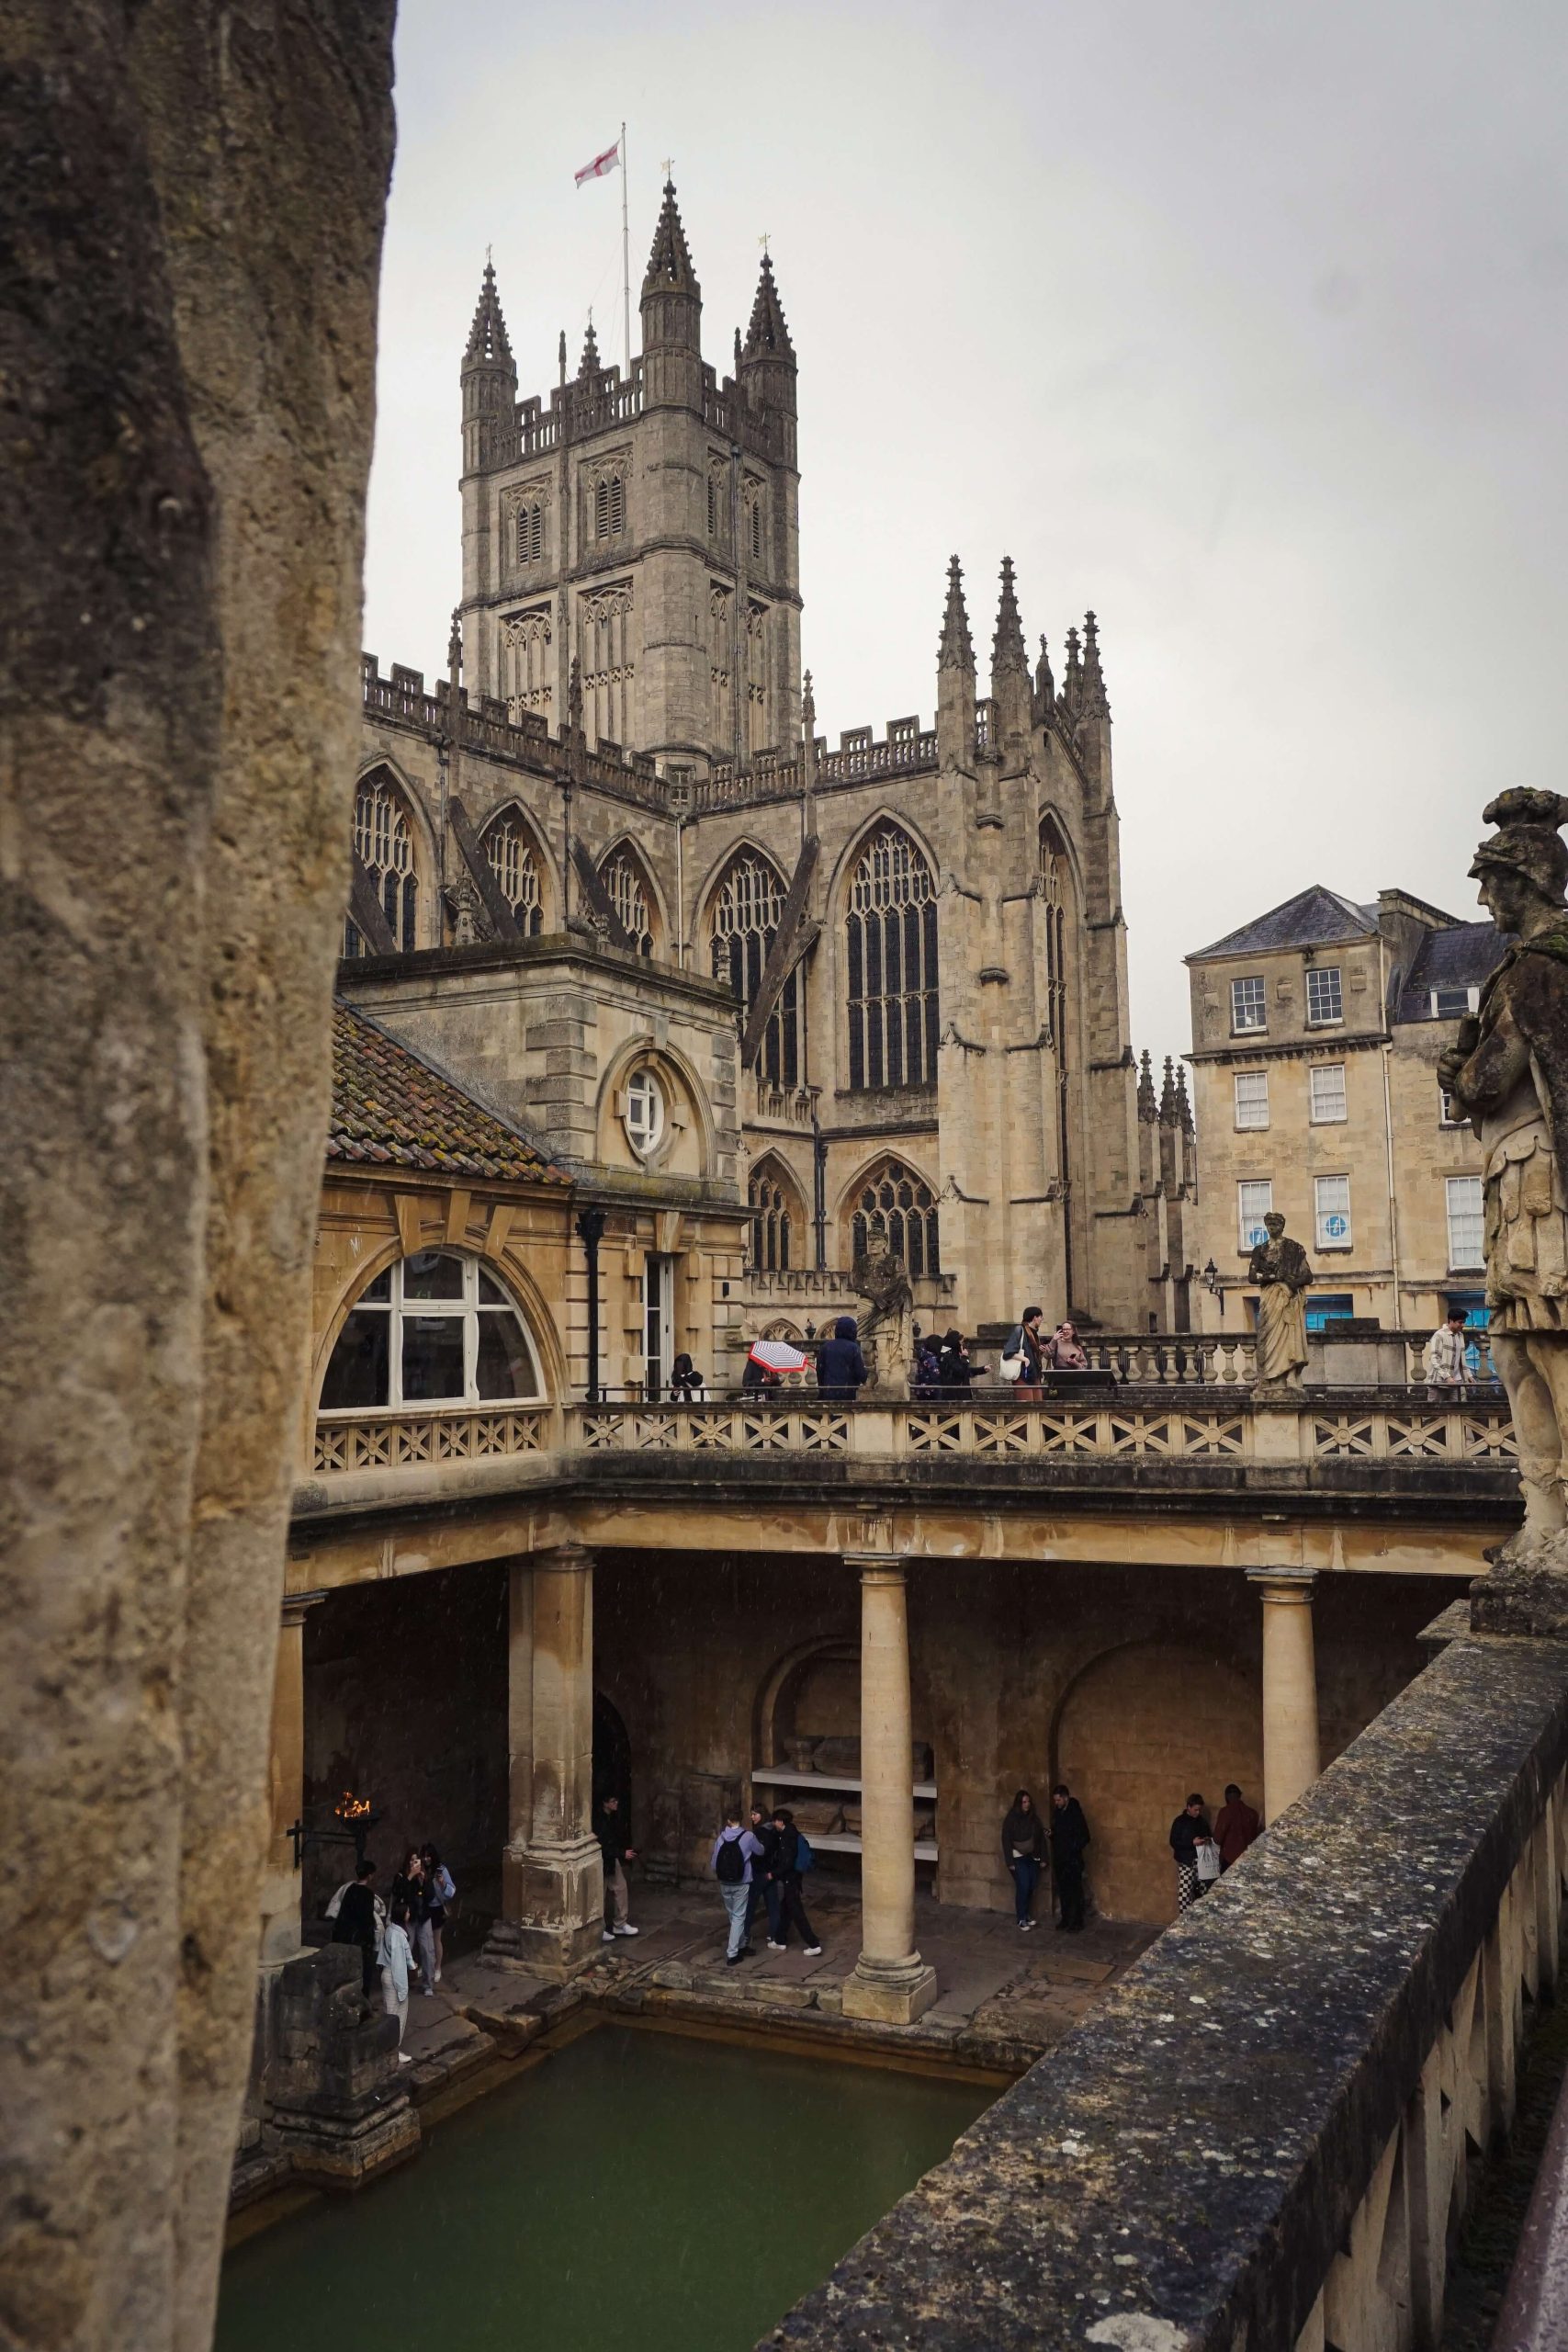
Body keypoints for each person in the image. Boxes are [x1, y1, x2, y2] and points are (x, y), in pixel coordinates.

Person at [1248, 1212, 1314, 1391]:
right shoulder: (1260, 1250)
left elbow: (1308, 1275)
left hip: (1288, 1298)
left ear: (1282, 1226)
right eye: (1269, 1224)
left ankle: (1290, 1375)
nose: (1272, 1227)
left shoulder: (1295, 1248)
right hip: (1270, 1298)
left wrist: (1293, 1282)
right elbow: (1252, 1277)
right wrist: (1274, 1276)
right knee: (1267, 1336)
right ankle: (1268, 1377)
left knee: (1290, 1337)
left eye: (1275, 1224)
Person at [711, 1806, 764, 1964]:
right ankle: (733, 1953)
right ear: (741, 1819)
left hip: (725, 1882)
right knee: (739, 1916)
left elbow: (714, 1863)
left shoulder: (720, 1839)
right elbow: (760, 1851)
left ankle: (741, 1945)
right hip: (741, 1881)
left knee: (733, 1915)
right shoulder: (748, 1836)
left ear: (728, 1820)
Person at [766, 1809, 823, 1955]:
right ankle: (780, 1940)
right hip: (794, 1877)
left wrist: (774, 1873)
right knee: (786, 1908)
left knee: (797, 1912)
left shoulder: (786, 1837)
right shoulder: (793, 1833)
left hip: (790, 1878)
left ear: (780, 1821)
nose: (774, 1824)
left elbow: (787, 1862)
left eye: (775, 1821)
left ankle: (813, 1943)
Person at [331, 1859, 381, 1997]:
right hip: (360, 1939)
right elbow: (366, 1920)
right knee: (364, 1972)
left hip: (346, 1935)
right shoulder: (367, 1894)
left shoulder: (350, 1890)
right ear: (370, 1875)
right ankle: (364, 2001)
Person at [594, 1790, 639, 1943]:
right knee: (599, 1895)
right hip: (602, 1860)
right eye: (613, 1801)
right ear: (605, 1803)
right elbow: (601, 1844)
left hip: (612, 1859)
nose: (616, 1804)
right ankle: (598, 1929)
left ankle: (620, 1923)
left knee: (621, 1888)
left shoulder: (613, 1817)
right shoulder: (598, 1820)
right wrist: (621, 1853)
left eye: (616, 1801)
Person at [1000, 1788, 1046, 1929]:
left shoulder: (1034, 1818)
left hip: (1032, 1856)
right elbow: (1006, 1839)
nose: (1027, 1804)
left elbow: (1040, 1839)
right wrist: (1010, 1862)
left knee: (1031, 1885)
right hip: (1018, 1858)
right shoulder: (1011, 1818)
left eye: (1028, 1802)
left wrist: (1044, 1858)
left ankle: (1026, 1915)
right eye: (1024, 1802)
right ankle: (1021, 1918)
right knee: (1023, 1886)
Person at [391, 1847, 435, 1995]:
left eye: (416, 1860)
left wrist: (423, 1882)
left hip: (423, 1917)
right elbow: (398, 1892)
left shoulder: (424, 1874)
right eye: (411, 1860)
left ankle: (428, 1984)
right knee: (405, 1951)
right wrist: (410, 1876)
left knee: (427, 1951)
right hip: (408, 1918)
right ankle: (402, 1982)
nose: (414, 1863)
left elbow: (430, 1896)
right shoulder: (402, 1876)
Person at [1049, 1783, 1090, 1931]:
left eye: (1058, 1800)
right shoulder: (1058, 1813)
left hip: (1072, 1860)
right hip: (1061, 1859)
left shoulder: (1075, 1814)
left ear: (1065, 1798)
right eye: (1055, 1801)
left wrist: (1072, 1848)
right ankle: (1066, 1919)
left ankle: (1077, 1921)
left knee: (1075, 1892)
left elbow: (1085, 1836)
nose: (1057, 1803)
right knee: (1063, 1891)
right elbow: (1058, 1833)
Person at [379, 1898, 414, 2062]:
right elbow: (399, 1965)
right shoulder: (398, 1937)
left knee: (389, 2013)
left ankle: (388, 2049)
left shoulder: (390, 1930)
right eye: (407, 1911)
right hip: (394, 1977)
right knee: (397, 2016)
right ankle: (394, 2051)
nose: (409, 1913)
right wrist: (403, 1989)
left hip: (387, 1973)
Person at [746, 1804, 783, 1945]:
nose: (752, 1817)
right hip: (771, 1872)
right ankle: (776, 1935)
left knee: (750, 1905)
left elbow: (758, 1854)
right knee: (773, 1905)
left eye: (755, 1814)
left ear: (762, 1815)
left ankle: (744, 1935)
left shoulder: (759, 1833)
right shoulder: (774, 1830)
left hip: (759, 1873)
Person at [1169, 1794, 1213, 1915]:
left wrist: (1207, 1840)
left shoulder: (1202, 1822)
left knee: (1204, 1892)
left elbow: (1209, 1834)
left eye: (1199, 1810)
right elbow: (1173, 1842)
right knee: (1184, 1895)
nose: (1198, 1812)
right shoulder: (1179, 1822)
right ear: (1188, 1807)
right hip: (1186, 1863)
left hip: (1201, 1863)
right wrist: (1191, 1843)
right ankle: (1184, 1921)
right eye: (1195, 1810)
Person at [420, 1844, 455, 1984]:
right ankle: (426, 1965)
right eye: (424, 1856)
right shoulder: (421, 1869)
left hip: (437, 1908)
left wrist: (442, 1883)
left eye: (428, 1856)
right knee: (424, 1940)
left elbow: (451, 1891)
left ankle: (437, 1967)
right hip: (425, 1908)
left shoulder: (441, 1869)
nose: (426, 1859)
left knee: (436, 1939)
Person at [816, 1314, 869, 1403]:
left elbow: (820, 1371)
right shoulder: (853, 1348)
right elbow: (860, 1373)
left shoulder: (826, 1347)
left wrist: (822, 1389)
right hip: (848, 1393)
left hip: (828, 1393)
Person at [1423, 1310, 1472, 1402]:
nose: (1463, 1325)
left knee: (1459, 1412)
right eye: (1460, 1322)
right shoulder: (1439, 1335)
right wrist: (1447, 1376)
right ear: (1451, 1321)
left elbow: (1461, 1359)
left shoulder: (1460, 1336)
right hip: (1439, 1382)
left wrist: (1469, 1375)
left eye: (1464, 1322)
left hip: (1457, 1382)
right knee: (1435, 1413)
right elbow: (1435, 1359)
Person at [1001, 1306, 1046, 1403]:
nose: (1041, 1320)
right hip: (1023, 1375)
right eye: (1041, 1318)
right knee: (1026, 1409)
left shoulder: (1034, 1333)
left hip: (1034, 1374)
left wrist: (1040, 1351)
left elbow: (1032, 1355)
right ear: (1035, 1317)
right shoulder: (1020, 1330)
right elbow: (1008, 1352)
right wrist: (1025, 1359)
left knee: (1038, 1408)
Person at [1213, 1784, 1260, 1871]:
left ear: (1226, 1796)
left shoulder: (1225, 1812)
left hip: (1229, 1858)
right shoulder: (1253, 1813)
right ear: (1239, 1795)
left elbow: (1217, 1839)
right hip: (1248, 1858)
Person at [937, 1329, 986, 1393]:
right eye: (961, 1343)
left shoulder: (954, 1353)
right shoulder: (948, 1355)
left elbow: (966, 1371)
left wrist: (982, 1369)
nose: (962, 1345)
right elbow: (961, 1371)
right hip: (955, 1393)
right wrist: (965, 1358)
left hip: (959, 1391)